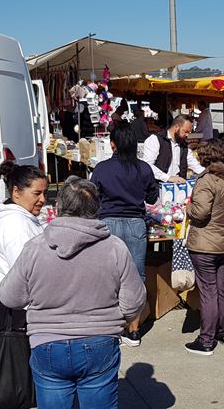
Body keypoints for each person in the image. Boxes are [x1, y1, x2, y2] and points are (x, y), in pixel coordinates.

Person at [0, 176, 146, 408]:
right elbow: (133, 300)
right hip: (99, 341)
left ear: (59, 207)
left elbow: (10, 296)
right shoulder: (114, 247)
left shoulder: (36, 247)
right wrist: (122, 320)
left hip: (47, 343)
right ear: (96, 207)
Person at [91, 124, 159, 346]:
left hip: (108, 223)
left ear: (113, 144)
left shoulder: (101, 168)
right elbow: (151, 198)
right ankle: (134, 329)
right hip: (135, 224)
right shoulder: (144, 169)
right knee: (136, 276)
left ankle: (113, 325)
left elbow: (92, 197)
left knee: (108, 276)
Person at [183, 140, 224, 355]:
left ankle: (206, 339)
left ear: (205, 158)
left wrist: (187, 208)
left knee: (208, 291)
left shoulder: (207, 180)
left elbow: (200, 212)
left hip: (206, 243)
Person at [0, 161, 48, 332]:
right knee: (14, 358)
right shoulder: (16, 225)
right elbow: (25, 274)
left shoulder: (22, 218)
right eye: (37, 193)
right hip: (12, 312)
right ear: (16, 192)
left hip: (16, 306)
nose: (42, 199)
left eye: (44, 193)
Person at [142, 114, 205, 184]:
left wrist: (209, 174)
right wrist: (168, 178)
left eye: (189, 132)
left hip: (179, 188)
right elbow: (147, 165)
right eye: (186, 131)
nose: (187, 135)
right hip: (157, 187)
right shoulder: (155, 139)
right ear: (176, 127)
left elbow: (195, 165)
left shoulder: (183, 146)